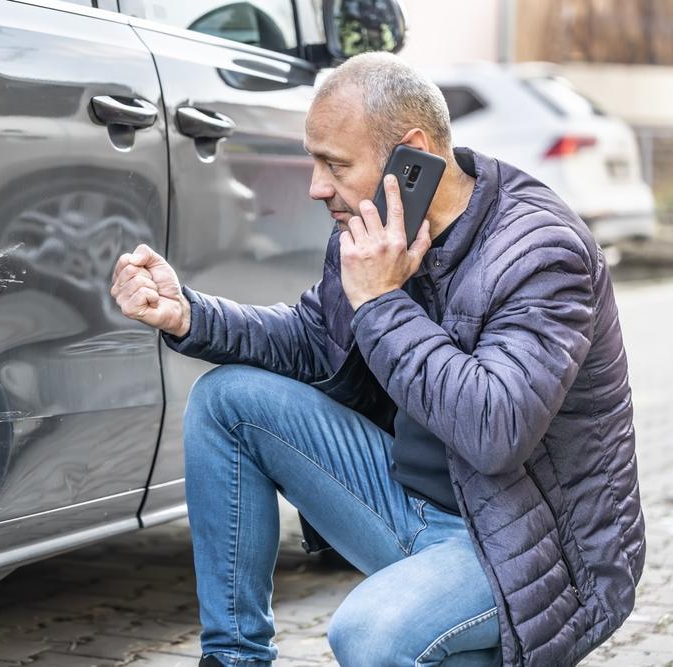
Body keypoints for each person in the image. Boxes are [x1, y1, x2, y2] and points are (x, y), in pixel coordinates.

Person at [109, 52, 645, 667]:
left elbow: (496, 431)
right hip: (409, 504)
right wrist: (188, 315)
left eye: (334, 164)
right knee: (228, 402)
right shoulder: (373, 229)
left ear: (410, 155)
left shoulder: (541, 252)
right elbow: (315, 340)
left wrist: (383, 300)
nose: (315, 186)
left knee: (372, 634)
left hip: (526, 546)